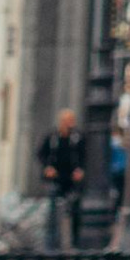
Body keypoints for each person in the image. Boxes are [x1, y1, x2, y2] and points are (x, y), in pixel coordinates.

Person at [36, 106, 83, 251]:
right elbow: (40, 154)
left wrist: (80, 170)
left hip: (72, 181)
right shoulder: (52, 137)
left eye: (72, 120)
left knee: (75, 211)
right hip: (55, 179)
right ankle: (51, 245)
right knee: (53, 213)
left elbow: (85, 155)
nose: (70, 123)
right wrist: (47, 168)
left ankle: (75, 243)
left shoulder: (78, 138)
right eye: (67, 120)